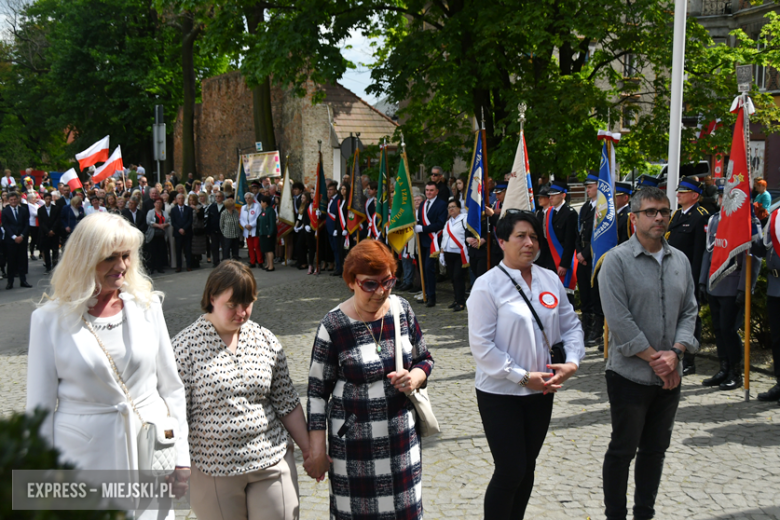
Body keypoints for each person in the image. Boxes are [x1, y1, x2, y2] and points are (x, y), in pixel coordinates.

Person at [26, 213, 190, 518]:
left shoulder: (147, 305)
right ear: (84, 259)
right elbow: (40, 409)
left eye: (126, 255)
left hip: (150, 453)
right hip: (82, 461)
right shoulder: (48, 320)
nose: (122, 266)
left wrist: (181, 456)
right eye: (109, 258)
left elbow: (171, 387)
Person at [467, 210, 585, 519]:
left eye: (534, 236)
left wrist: (572, 362)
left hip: (541, 391)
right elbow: (482, 346)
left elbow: (570, 326)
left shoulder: (549, 279)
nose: (529, 242)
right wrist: (522, 378)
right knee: (510, 469)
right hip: (500, 393)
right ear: (502, 241)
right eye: (520, 236)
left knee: (527, 467)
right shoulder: (487, 286)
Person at [306, 240, 434, 520]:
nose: (380, 291)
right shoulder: (333, 326)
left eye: (387, 281)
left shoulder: (402, 310)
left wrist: (414, 377)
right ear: (352, 282)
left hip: (401, 440)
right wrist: (316, 449)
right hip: (353, 446)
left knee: (405, 512)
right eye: (370, 284)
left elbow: (425, 358)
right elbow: (316, 393)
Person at [172, 261, 310, 519]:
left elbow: (286, 401)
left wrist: (310, 452)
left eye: (247, 303)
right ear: (212, 298)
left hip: (271, 459)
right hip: (213, 468)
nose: (241, 312)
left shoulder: (265, 339)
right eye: (232, 305)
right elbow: (176, 415)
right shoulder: (183, 348)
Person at [598, 187, 699, 520]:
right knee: (623, 450)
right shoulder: (616, 261)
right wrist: (658, 359)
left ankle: (645, 513)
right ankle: (615, 515)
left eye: (664, 211)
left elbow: (689, 311)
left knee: (655, 451)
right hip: (630, 375)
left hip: (671, 375)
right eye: (651, 211)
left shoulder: (680, 260)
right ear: (634, 218)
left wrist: (677, 353)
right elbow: (618, 318)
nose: (659, 217)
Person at [699, 210, 761, 390]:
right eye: (720, 195)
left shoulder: (746, 219)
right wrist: (703, 281)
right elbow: (708, 252)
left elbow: (753, 256)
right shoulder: (715, 219)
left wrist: (744, 287)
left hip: (733, 285)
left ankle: (735, 372)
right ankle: (724, 368)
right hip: (715, 283)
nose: (721, 199)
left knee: (729, 330)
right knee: (719, 330)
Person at [666, 175, 709, 376]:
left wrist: (696, 281)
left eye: (683, 192)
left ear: (695, 195)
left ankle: (690, 359)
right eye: (679, 191)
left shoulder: (701, 216)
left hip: (687, 276)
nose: (678, 195)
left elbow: (700, 253)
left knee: (690, 319)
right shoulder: (677, 216)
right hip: (670, 274)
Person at [543, 180, 578, 306]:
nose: (550, 197)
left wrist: (564, 264)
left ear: (563, 195)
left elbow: (570, 242)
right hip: (550, 260)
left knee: (565, 295)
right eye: (550, 194)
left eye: (554, 194)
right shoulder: (549, 212)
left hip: (562, 260)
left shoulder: (570, 214)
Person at [414, 181, 447, 307]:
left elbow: (440, 224)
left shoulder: (441, 204)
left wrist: (422, 229)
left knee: (429, 268)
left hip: (434, 241)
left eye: (431, 190)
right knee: (422, 267)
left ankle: (432, 296)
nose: (428, 192)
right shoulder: (423, 204)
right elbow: (421, 220)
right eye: (427, 190)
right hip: (422, 240)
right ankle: (425, 294)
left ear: (437, 191)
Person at [576, 172, 600, 346]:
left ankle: (597, 330)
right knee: (584, 293)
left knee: (595, 294)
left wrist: (585, 253)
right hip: (582, 256)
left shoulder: (603, 208)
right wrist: (579, 252)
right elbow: (579, 231)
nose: (587, 189)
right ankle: (585, 327)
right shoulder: (586, 207)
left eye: (590, 186)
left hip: (593, 256)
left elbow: (598, 235)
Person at [759, 206, 780, 402]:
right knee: (777, 340)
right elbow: (761, 246)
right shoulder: (776, 215)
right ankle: (779, 382)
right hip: (775, 286)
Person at [440, 199, 469, 311]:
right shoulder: (448, 222)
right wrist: (442, 252)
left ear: (458, 208)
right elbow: (444, 238)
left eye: (453, 206)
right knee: (452, 278)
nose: (451, 209)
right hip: (448, 252)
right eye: (449, 207)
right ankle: (456, 299)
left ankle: (461, 302)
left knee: (458, 277)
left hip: (459, 253)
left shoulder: (464, 219)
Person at [2, 191, 32, 289]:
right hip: (11, 240)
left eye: (15, 199)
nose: (13, 201)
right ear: (8, 200)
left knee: (22, 261)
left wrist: (22, 236)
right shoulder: (5, 211)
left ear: (17, 199)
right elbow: (6, 225)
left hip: (22, 239)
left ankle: (23, 281)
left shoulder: (23, 210)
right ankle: (10, 282)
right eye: (11, 200)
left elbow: (27, 224)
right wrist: (14, 237)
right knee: (11, 262)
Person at [37, 191, 61, 274]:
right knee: (46, 250)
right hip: (45, 233)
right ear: (44, 199)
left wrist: (52, 230)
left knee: (55, 250)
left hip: (54, 232)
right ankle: (48, 266)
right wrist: (47, 231)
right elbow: (41, 222)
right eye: (46, 199)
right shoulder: (40, 210)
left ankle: (55, 266)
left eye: (49, 199)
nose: (48, 200)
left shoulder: (56, 208)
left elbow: (57, 220)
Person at [146, 198, 171, 274]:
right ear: (154, 204)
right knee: (153, 251)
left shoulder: (164, 213)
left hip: (162, 235)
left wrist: (164, 225)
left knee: (160, 251)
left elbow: (169, 221)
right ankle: (152, 268)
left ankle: (160, 267)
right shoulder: (150, 212)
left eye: (160, 203)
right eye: (157, 203)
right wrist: (158, 225)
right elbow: (148, 221)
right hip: (153, 234)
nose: (159, 205)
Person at [294, 192, 317, 273]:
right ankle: (303, 262)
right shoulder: (303, 205)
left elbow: (306, 217)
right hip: (304, 227)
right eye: (301, 198)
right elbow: (301, 217)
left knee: (307, 246)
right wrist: (296, 226)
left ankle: (306, 263)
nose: (301, 199)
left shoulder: (309, 205)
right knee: (300, 245)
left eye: (303, 198)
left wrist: (303, 226)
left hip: (309, 228)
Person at [171, 193, 193, 272]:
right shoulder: (173, 210)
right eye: (179, 198)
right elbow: (173, 222)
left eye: (182, 198)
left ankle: (189, 265)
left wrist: (184, 229)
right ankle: (179, 266)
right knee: (178, 250)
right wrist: (179, 229)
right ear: (177, 200)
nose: (181, 200)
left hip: (187, 232)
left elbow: (190, 220)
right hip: (178, 233)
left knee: (188, 250)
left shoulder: (189, 209)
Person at [326, 181, 345, 276]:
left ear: (335, 190)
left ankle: (340, 268)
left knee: (338, 250)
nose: (329, 191)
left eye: (331, 190)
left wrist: (336, 229)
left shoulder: (338, 200)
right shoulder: (330, 200)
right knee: (334, 249)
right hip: (330, 229)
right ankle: (337, 267)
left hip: (335, 229)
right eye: (328, 190)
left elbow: (338, 216)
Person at [240, 193, 262, 268]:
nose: (247, 199)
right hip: (247, 230)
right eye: (246, 198)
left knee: (257, 245)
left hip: (254, 229)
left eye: (249, 198)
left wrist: (251, 225)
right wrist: (245, 225)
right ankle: (252, 261)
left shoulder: (257, 206)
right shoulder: (243, 207)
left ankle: (260, 261)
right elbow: (241, 219)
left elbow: (258, 217)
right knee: (250, 247)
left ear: (252, 198)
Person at [257, 195, 277, 272]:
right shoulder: (263, 210)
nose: (261, 203)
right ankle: (268, 264)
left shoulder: (270, 210)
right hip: (263, 232)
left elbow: (272, 223)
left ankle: (271, 266)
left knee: (269, 250)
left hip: (268, 233)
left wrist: (270, 232)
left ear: (265, 203)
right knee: (265, 250)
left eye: (261, 202)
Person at [206, 191, 225, 267]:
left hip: (223, 230)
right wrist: (208, 231)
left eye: (219, 196)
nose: (217, 198)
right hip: (214, 230)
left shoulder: (225, 206)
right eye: (216, 196)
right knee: (214, 247)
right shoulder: (212, 207)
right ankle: (216, 262)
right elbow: (209, 219)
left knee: (224, 247)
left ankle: (224, 262)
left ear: (222, 197)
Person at [189, 193, 207, 269]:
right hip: (190, 230)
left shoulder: (200, 207)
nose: (192, 202)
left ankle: (197, 261)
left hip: (198, 229)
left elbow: (201, 217)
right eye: (190, 200)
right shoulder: (187, 207)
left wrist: (196, 209)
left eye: (193, 200)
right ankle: (192, 261)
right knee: (191, 247)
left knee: (198, 247)